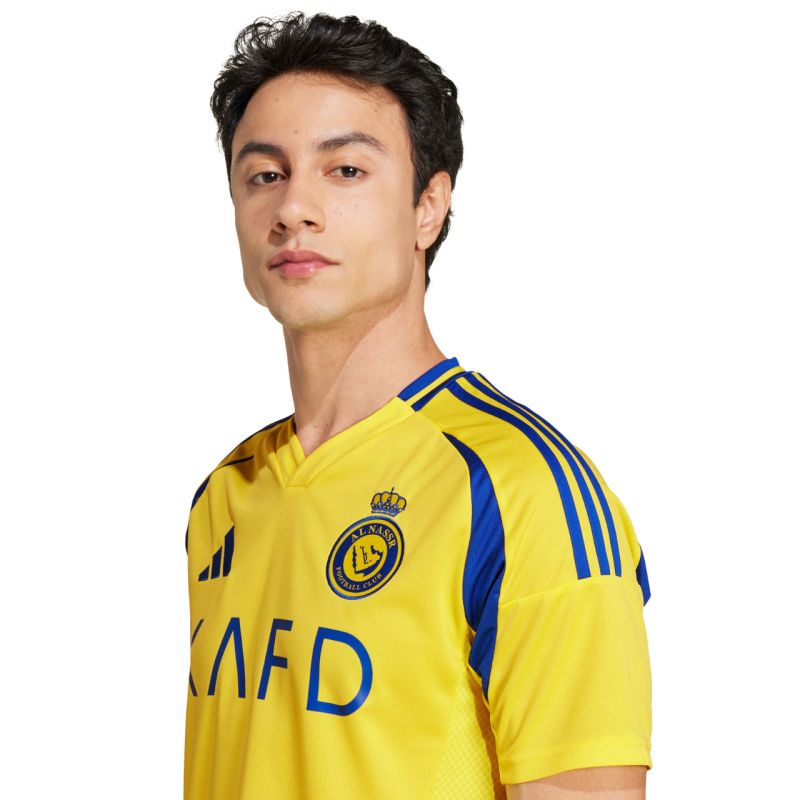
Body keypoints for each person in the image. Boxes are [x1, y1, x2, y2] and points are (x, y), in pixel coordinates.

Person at [183, 11, 653, 799]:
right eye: (265, 174)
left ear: (427, 207)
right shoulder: (226, 494)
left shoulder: (520, 490)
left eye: (345, 170)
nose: (294, 208)